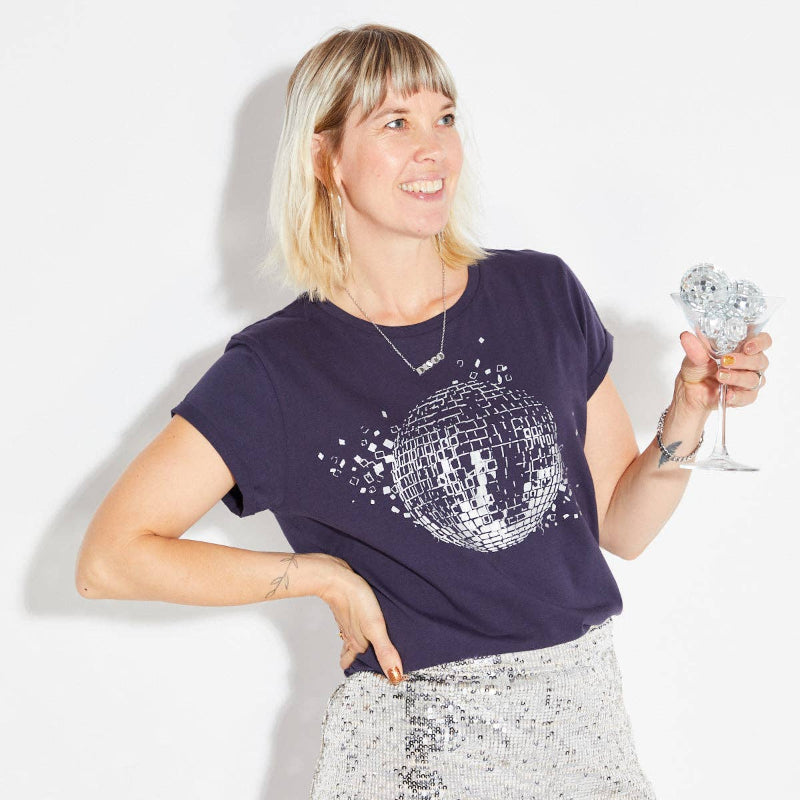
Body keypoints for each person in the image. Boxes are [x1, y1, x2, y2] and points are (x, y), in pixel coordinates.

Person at [76, 23, 773, 800]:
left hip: (585, 730)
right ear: (324, 158)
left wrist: (686, 413)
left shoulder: (541, 295)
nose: (433, 148)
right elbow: (111, 557)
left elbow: (622, 527)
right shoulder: (276, 369)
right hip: (418, 756)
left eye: (444, 117)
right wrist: (318, 576)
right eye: (395, 123)